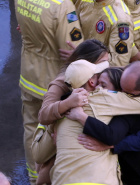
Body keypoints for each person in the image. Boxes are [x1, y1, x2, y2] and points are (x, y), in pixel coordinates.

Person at [44, 59, 140, 185]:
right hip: (100, 179)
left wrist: (54, 141)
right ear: (91, 81)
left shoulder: (61, 109)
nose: (99, 87)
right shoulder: (108, 97)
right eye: (98, 81)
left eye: (103, 85)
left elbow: (39, 154)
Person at [14, 0, 83, 183]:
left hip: (28, 75)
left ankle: (33, 176)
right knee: (56, 136)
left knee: (31, 129)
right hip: (54, 83)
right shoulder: (63, 5)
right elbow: (72, 47)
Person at [76, 0, 140, 67]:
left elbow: (118, 64)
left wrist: (81, 57)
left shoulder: (120, 20)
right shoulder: (84, 2)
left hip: (98, 73)